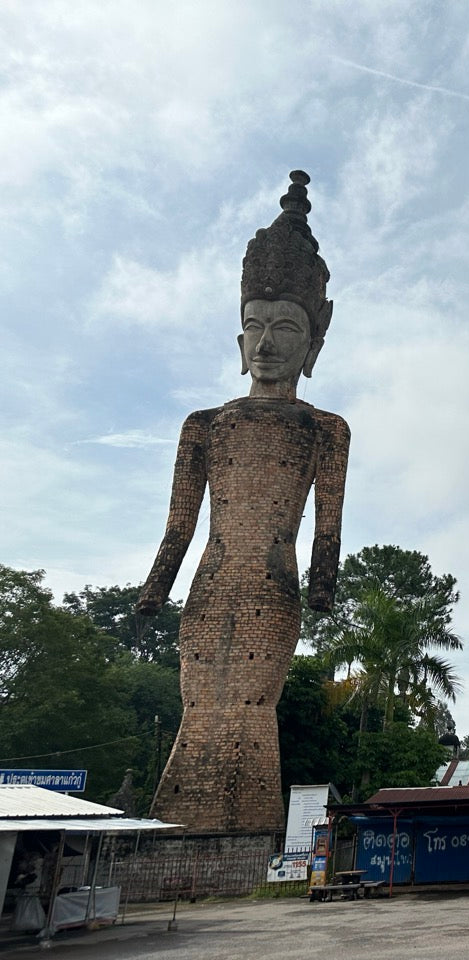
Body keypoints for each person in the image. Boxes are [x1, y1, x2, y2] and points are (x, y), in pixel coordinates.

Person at [137, 172, 350, 833]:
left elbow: (327, 528)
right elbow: (179, 525)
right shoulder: (205, 425)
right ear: (239, 339)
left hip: (273, 583)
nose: (266, 343)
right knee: (199, 707)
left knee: (254, 704)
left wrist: (322, 588)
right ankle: (176, 827)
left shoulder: (324, 430)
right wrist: (154, 589)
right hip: (208, 584)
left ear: (313, 341)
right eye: (254, 325)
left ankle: (254, 830)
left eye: (285, 327)